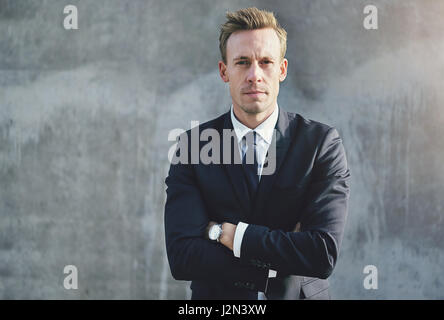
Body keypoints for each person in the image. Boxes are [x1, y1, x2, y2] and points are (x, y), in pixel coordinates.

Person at [164, 7, 351, 300]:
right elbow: (182, 256)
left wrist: (224, 234)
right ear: (224, 71)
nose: (255, 75)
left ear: (282, 69)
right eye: (242, 62)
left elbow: (321, 254)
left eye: (266, 62)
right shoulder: (192, 148)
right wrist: (283, 257)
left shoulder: (321, 144)